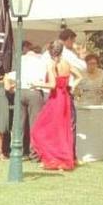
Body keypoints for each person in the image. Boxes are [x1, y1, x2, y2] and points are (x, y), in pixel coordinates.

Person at [30, 41, 82, 170]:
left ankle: (53, 158)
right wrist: (72, 86)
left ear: (50, 52)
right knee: (63, 129)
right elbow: (80, 76)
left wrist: (36, 84)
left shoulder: (51, 64)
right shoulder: (66, 63)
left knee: (41, 129)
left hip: (56, 98)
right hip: (66, 97)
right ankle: (62, 159)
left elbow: (52, 85)